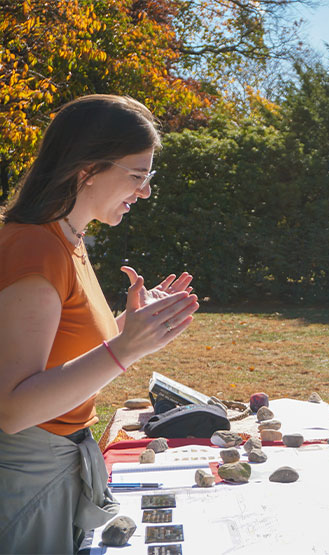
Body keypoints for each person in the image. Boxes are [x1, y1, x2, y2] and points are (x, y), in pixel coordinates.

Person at [0, 94, 200, 554]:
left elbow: (59, 352)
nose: (146, 190)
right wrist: (126, 348)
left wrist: (129, 325)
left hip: (54, 463)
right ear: (86, 169)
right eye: (137, 175)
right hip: (29, 476)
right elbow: (12, 409)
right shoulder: (36, 248)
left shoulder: (66, 237)